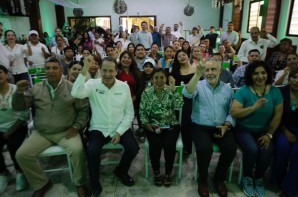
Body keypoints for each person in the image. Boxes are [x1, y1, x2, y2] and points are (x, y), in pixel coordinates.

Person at [12, 58, 89, 197]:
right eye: (48, 68)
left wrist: (77, 126)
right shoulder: (36, 89)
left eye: (54, 68)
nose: (51, 71)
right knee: (22, 155)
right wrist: (18, 92)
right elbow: (19, 107)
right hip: (42, 133)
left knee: (77, 150)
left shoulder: (72, 88)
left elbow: (83, 110)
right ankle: (42, 183)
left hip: (66, 131)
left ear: (61, 70)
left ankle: (80, 183)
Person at [71, 56, 139, 197]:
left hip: (120, 127)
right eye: (104, 70)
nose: (107, 74)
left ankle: (121, 171)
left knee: (133, 148)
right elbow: (76, 93)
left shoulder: (124, 86)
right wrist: (84, 69)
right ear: (100, 70)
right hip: (98, 128)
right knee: (92, 151)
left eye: (111, 71)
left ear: (116, 71)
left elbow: (129, 113)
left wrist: (119, 132)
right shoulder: (92, 84)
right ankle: (95, 184)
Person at [183, 59, 237, 197]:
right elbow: (187, 93)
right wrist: (196, 75)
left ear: (220, 71)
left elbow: (232, 111)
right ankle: (203, 180)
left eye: (213, 69)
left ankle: (219, 178)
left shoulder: (227, 89)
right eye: (207, 70)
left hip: (221, 126)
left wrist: (227, 125)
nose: (210, 73)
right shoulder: (198, 85)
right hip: (200, 126)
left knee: (231, 148)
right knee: (204, 149)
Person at [231, 61, 283, 197]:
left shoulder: (275, 91)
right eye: (256, 74)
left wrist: (269, 134)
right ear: (250, 75)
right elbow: (234, 112)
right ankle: (247, 178)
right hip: (244, 129)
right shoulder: (244, 91)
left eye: (263, 73)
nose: (260, 76)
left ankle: (258, 179)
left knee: (266, 150)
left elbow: (278, 115)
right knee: (252, 149)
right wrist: (253, 107)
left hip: (264, 131)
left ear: (268, 74)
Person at [139, 68, 183, 187]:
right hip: (153, 126)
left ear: (166, 79)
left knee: (169, 146)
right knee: (155, 146)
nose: (159, 80)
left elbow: (179, 105)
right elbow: (142, 112)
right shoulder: (146, 93)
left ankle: (168, 172)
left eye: (162, 78)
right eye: (156, 78)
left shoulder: (170, 91)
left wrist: (174, 89)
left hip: (170, 125)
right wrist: (146, 124)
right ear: (152, 79)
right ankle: (157, 172)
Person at [271, 66, 298, 197]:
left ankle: (290, 189)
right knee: (282, 147)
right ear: (289, 77)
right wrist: (285, 131)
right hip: (281, 128)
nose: (297, 81)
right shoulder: (280, 92)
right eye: (294, 77)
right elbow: (274, 115)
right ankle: (277, 180)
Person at [0, 65, 29, 194]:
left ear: (6, 74)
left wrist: (10, 131)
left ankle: (19, 172)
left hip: (17, 125)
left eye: (0, 72)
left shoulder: (18, 89)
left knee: (13, 145)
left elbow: (24, 114)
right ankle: (3, 173)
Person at [171, 50, 196, 160]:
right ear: (176, 59)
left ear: (188, 56)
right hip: (178, 98)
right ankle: (175, 144)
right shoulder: (175, 70)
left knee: (187, 116)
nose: (182, 57)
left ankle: (187, 147)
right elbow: (172, 85)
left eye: (184, 55)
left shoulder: (195, 68)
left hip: (193, 98)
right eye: (179, 56)